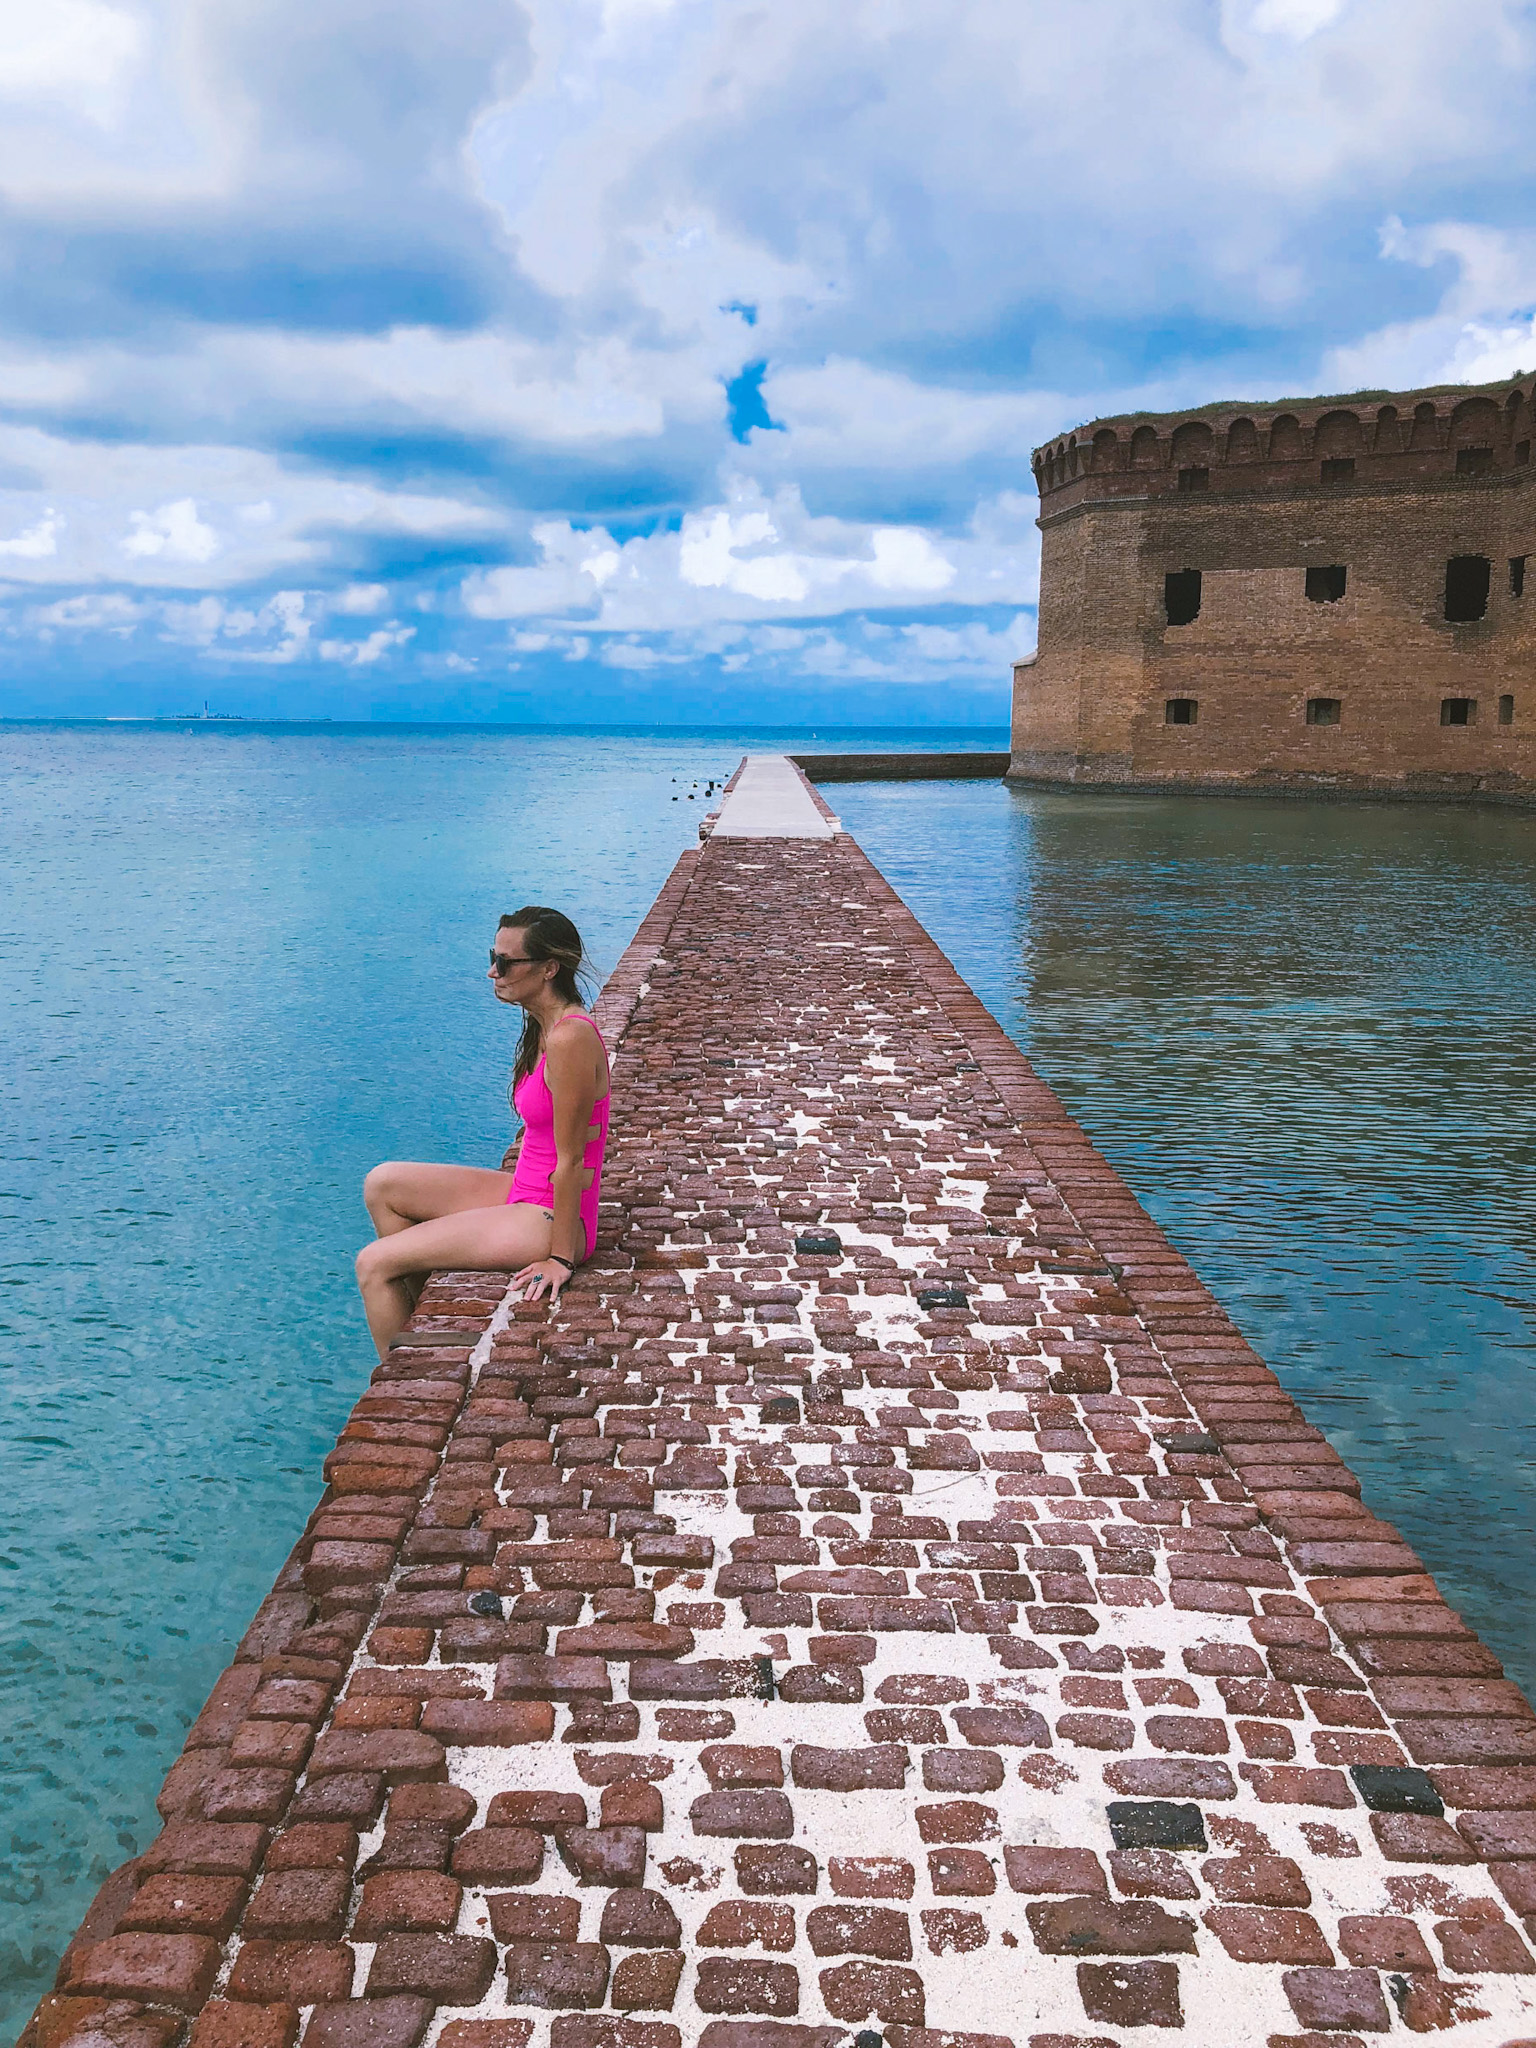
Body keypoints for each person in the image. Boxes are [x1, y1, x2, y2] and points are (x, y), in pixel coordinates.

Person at [356, 906, 611, 1358]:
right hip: (524, 1191)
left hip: (549, 1217)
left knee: (374, 1264)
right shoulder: (542, 1026)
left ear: (549, 968)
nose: (494, 971)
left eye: (508, 962)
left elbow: (573, 1160)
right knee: (384, 1183)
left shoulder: (570, 1038)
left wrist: (561, 1257)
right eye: (493, 956)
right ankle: (421, 1332)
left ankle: (408, 1384)